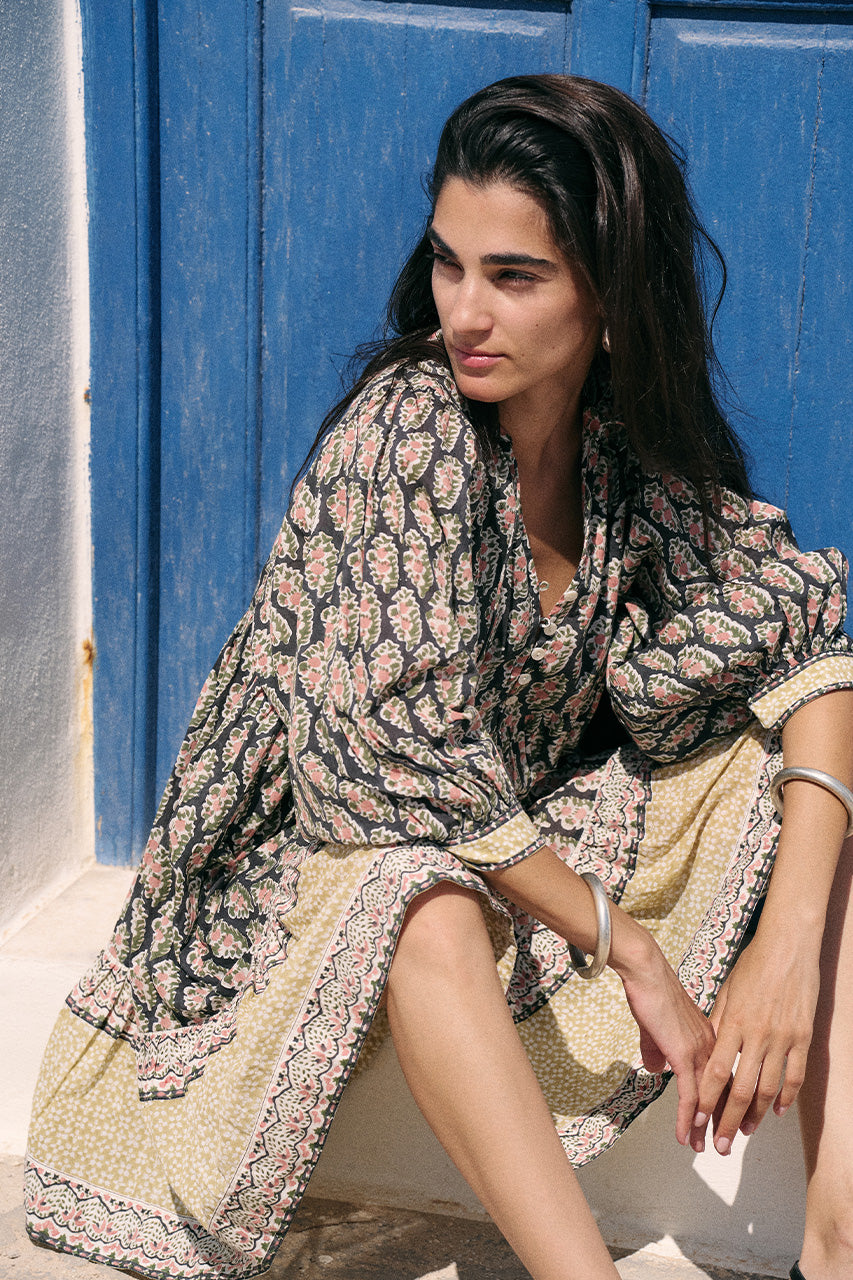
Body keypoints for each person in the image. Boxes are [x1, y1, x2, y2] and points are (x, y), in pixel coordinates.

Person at [25, 74, 853, 1280]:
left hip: (499, 854)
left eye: (512, 276)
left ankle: (836, 1243)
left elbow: (807, 622)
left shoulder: (615, 454)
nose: (464, 310)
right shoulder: (411, 427)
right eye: (449, 262)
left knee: (800, 764)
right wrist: (635, 953)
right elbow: (394, 771)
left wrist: (783, 947)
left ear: (610, 298)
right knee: (416, 885)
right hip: (308, 886)